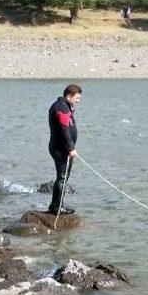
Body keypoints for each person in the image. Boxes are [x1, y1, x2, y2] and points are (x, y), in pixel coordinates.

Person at [48, 84, 81, 215]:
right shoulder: (61, 107)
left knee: (62, 177)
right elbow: (64, 129)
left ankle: (54, 205)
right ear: (69, 95)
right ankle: (57, 207)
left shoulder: (64, 106)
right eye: (77, 98)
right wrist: (71, 148)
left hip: (61, 147)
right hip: (61, 149)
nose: (79, 100)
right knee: (62, 177)